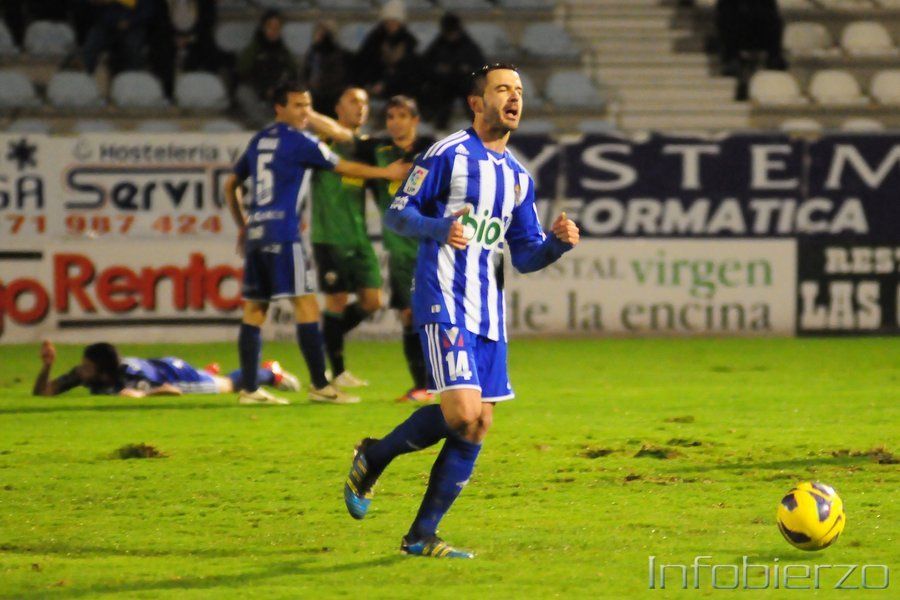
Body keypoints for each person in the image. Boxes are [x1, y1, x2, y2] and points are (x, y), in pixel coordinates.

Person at [343, 64, 580, 558]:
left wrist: (556, 245)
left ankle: (419, 535)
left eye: (518, 90)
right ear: (477, 103)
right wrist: (438, 228)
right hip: (443, 297)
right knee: (463, 412)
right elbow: (399, 212)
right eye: (502, 90)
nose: (513, 98)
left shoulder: (517, 178)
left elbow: (526, 254)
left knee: (477, 425)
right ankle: (376, 454)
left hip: (488, 311)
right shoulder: (447, 155)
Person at [224, 79, 410, 406]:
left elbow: (230, 185)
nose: (305, 112)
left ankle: (249, 390)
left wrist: (244, 225)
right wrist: (386, 174)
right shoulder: (300, 142)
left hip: (257, 234)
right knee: (306, 305)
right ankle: (321, 386)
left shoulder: (259, 140)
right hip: (283, 233)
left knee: (255, 309)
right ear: (279, 108)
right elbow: (344, 165)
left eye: (307, 106)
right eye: (298, 105)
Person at [309, 87, 383, 390]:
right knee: (337, 300)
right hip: (329, 235)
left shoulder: (363, 148)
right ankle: (337, 371)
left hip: (359, 237)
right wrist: (306, 111)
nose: (361, 107)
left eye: (364, 103)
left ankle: (328, 338)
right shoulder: (325, 141)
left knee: (372, 301)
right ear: (338, 107)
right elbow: (332, 132)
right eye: (353, 101)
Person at [369, 96, 434, 403]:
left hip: (430, 244)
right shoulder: (377, 153)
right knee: (408, 315)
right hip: (398, 249)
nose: (395, 121)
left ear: (415, 120)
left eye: (402, 115)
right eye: (390, 116)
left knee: (434, 314)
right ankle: (421, 385)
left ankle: (441, 381)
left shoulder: (432, 152)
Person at [32, 340, 299, 399]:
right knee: (214, 378)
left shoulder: (131, 377)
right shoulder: (86, 375)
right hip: (162, 369)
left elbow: (170, 391)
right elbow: (43, 392)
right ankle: (206, 372)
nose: (82, 369)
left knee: (227, 385)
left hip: (174, 374)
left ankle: (269, 373)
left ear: (102, 370)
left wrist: (140, 396)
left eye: (88, 365)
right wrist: (47, 367)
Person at [421, 13, 485, 129]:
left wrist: (468, 68)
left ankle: (478, 128)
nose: (452, 36)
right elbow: (426, 64)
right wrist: (439, 69)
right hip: (444, 83)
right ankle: (439, 128)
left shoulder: (468, 44)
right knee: (441, 97)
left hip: (465, 83)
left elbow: (479, 65)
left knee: (472, 97)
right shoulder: (438, 44)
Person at [235, 10, 297, 127]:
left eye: (277, 27)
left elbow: (293, 74)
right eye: (270, 27)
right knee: (243, 92)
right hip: (257, 93)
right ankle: (267, 124)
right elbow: (242, 72)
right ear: (263, 28)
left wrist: (277, 88)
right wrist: (263, 88)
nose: (273, 31)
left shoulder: (284, 52)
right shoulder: (253, 50)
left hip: (278, 96)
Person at [355, 0, 419, 99]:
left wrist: (385, 83)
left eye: (394, 22)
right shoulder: (375, 39)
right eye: (388, 22)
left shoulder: (408, 42)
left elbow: (406, 68)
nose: (391, 25)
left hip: (399, 86)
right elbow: (365, 60)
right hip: (375, 81)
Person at [303, 20, 352, 120]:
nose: (319, 36)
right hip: (315, 97)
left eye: (322, 33)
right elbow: (305, 74)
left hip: (334, 99)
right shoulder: (313, 53)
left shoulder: (340, 55)